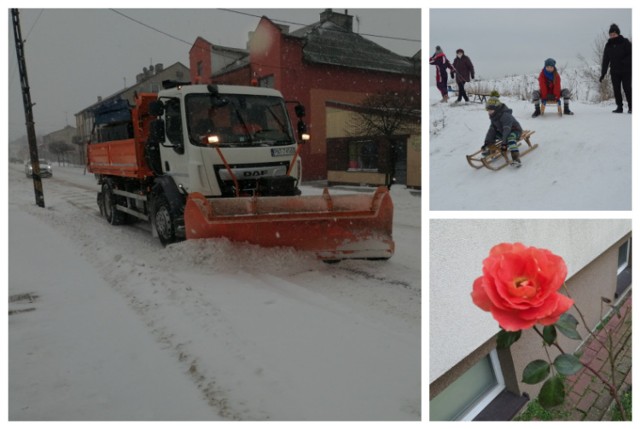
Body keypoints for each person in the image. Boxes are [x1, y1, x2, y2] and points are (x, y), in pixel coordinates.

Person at [481, 92, 524, 167]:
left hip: (515, 131)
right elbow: (492, 130)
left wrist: (504, 144)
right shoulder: (494, 116)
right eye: (488, 110)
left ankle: (516, 159)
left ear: (496, 109)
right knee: (493, 134)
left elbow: (507, 130)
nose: (489, 112)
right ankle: (491, 150)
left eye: (490, 110)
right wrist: (487, 143)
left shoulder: (505, 115)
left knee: (510, 138)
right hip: (504, 132)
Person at [600, 23, 632, 113]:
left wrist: (624, 62)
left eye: (614, 34)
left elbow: (631, 54)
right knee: (616, 89)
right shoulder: (608, 45)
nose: (612, 36)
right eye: (610, 35)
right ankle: (619, 107)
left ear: (618, 33)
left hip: (626, 70)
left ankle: (631, 107)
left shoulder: (625, 42)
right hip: (614, 71)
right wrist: (603, 73)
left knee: (627, 88)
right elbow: (605, 60)